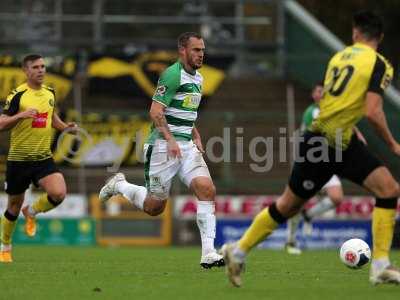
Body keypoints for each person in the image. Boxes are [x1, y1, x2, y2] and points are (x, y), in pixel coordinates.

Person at [221, 11, 400, 287]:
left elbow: (333, 103)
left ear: (355, 33)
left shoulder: (338, 58)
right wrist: (392, 144)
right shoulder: (380, 64)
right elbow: (373, 111)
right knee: (288, 205)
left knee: (388, 189)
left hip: (330, 139)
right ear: (380, 37)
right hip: (327, 141)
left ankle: (380, 266)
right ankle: (238, 250)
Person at [99, 32, 225, 269]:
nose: (201, 54)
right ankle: (119, 184)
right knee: (154, 207)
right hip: (161, 146)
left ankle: (209, 252)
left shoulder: (198, 78)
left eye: (202, 50)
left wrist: (194, 135)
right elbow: (156, 111)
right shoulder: (172, 74)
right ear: (183, 51)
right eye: (196, 50)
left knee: (207, 189)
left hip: (186, 146)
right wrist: (170, 140)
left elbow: (185, 113)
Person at [0, 54, 78, 263]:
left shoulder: (50, 93)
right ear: (26, 71)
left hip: (43, 158)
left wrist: (66, 128)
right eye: (36, 67)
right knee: (13, 207)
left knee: (59, 193)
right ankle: (5, 246)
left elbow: (53, 119)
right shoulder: (17, 95)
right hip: (19, 160)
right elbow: (2, 124)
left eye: (43, 66)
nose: (41, 70)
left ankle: (32, 211)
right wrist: (19, 116)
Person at [285, 83, 345, 254]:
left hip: (326, 163)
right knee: (296, 202)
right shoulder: (313, 112)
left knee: (337, 197)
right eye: (318, 91)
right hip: (310, 164)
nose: (321, 94)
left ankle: (308, 216)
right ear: (313, 95)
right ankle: (290, 241)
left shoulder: (333, 110)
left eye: (324, 91)